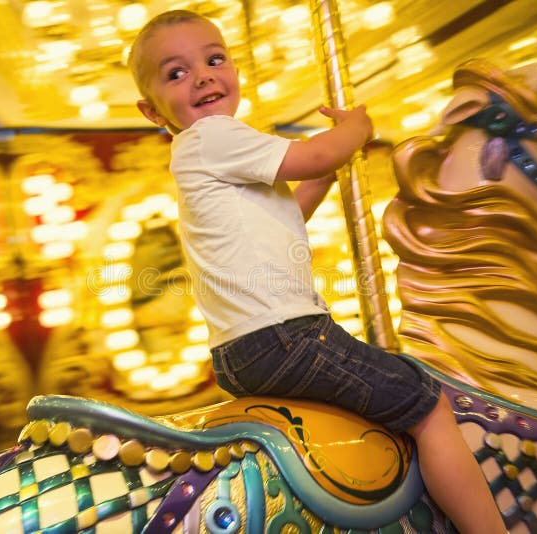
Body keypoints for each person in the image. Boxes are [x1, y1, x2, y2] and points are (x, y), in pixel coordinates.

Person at [128, 9, 507, 534]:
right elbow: (317, 153)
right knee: (427, 405)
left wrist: (325, 173)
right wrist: (354, 129)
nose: (203, 75)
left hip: (243, 352)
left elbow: (286, 213)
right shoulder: (212, 136)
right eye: (177, 72)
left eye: (214, 59)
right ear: (152, 110)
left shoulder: (203, 155)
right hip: (286, 336)